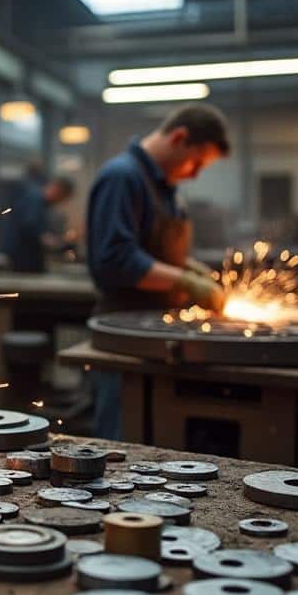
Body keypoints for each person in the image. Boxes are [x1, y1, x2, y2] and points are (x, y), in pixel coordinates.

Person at [85, 103, 231, 439]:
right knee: (121, 444)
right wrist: (186, 282)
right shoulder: (122, 177)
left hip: (158, 334)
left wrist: (189, 268)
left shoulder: (167, 191)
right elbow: (115, 260)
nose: (194, 174)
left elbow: (155, 252)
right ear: (179, 138)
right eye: (196, 163)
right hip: (125, 337)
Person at [0, 173, 75, 273]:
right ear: (58, 190)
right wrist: (49, 241)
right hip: (21, 257)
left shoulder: (36, 199)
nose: (59, 202)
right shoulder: (34, 200)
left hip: (22, 256)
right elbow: (29, 226)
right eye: (62, 198)